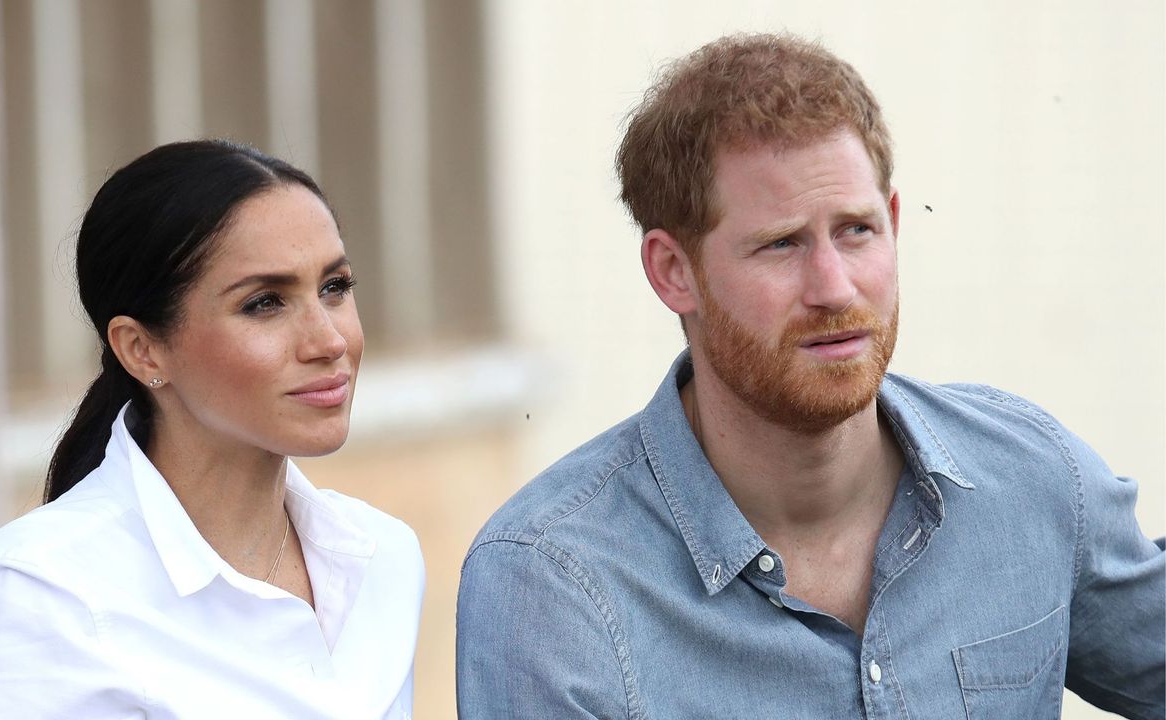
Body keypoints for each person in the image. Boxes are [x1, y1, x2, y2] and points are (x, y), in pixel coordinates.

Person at [456, 33, 1164, 718]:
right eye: (781, 244)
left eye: (856, 230)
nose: (835, 287)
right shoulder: (551, 584)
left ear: (893, 221)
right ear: (674, 272)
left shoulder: (1033, 480)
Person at [0, 140, 424, 718]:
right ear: (142, 349)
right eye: (264, 303)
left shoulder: (382, 558)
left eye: (335, 287)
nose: (329, 341)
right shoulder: (32, 602)